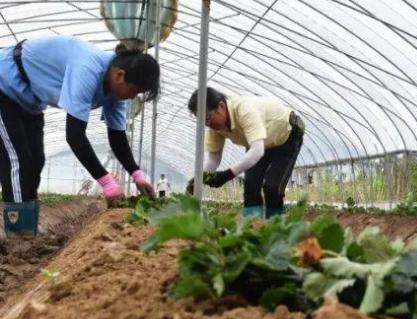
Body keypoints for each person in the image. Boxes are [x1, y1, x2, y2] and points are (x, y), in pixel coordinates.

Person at [0, 36, 159, 236]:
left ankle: (27, 226)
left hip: (30, 101)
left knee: (36, 161)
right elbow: (74, 136)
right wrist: (106, 181)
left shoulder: (116, 92)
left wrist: (137, 174)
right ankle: (18, 230)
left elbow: (117, 138)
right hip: (4, 83)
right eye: (134, 91)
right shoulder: (87, 69)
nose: (132, 97)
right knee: (18, 160)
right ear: (120, 75)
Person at [187, 87, 304, 218]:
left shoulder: (244, 109)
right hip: (259, 143)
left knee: (272, 187)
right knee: (251, 187)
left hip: (285, 138)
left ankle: (275, 226)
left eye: (208, 118)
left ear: (220, 106)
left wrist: (227, 175)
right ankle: (253, 227)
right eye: (203, 121)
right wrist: (198, 179)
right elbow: (213, 159)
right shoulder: (215, 128)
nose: (207, 124)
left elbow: (257, 151)